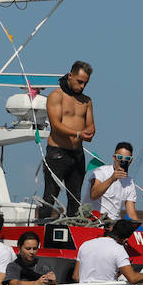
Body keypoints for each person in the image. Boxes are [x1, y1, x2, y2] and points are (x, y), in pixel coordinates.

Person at [39, 60, 96, 221]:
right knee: (50, 195)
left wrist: (90, 133)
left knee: (75, 197)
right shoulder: (56, 96)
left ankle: (72, 229)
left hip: (77, 154)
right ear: (70, 75)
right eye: (79, 82)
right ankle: (41, 229)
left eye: (85, 83)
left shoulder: (86, 100)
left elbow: (91, 126)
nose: (82, 86)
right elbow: (56, 126)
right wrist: (78, 133)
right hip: (58, 152)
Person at [88, 141, 139, 221]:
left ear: (131, 161)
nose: (123, 161)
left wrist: (140, 231)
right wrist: (112, 179)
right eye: (119, 157)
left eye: (127, 159)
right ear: (114, 157)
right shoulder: (101, 172)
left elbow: (131, 213)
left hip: (113, 223)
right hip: (94, 220)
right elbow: (93, 195)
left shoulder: (129, 182)